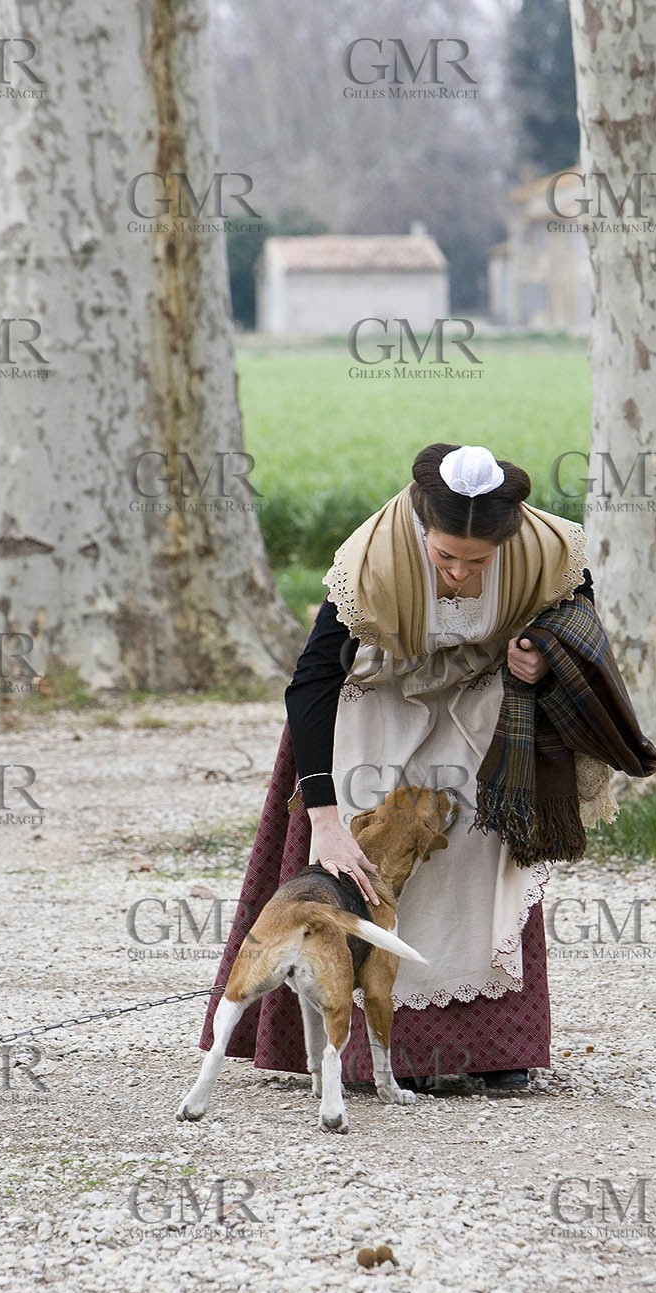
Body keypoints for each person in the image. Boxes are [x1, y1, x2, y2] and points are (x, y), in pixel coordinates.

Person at [199, 442, 596, 1092]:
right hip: (376, 693)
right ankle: (375, 1055)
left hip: (478, 695)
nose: (461, 574)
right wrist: (324, 820)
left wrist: (543, 655)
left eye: (478, 561)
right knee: (374, 838)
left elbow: (579, 625)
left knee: (473, 831)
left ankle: (487, 1049)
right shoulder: (371, 559)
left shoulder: (549, 549)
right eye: (444, 557)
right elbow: (310, 682)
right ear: (419, 529)